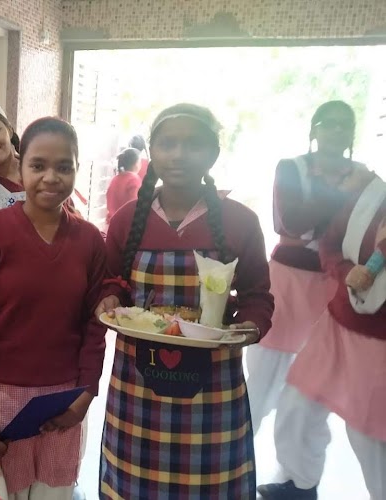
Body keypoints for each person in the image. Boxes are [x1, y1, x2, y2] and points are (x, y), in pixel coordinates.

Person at [96, 103, 274, 498]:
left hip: (213, 385)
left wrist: (251, 323)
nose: (179, 154)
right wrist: (109, 299)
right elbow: (114, 282)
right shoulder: (127, 219)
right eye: (168, 143)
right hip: (138, 384)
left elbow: (257, 295)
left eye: (193, 145)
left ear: (213, 154)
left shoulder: (240, 221)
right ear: (152, 150)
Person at [0, 117, 107, 499]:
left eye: (64, 166)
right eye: (38, 165)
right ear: (21, 166)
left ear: (76, 169)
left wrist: (86, 395)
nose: (51, 177)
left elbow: (94, 326)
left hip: (63, 404)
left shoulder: (89, 240)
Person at [258, 172, 385, 500]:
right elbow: (330, 244)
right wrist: (346, 272)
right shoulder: (369, 194)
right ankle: (300, 485)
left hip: (381, 341)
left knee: (369, 434)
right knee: (298, 404)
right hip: (338, 321)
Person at [246, 101, 369, 433]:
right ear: (314, 129)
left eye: (345, 124)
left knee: (313, 389)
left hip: (334, 286)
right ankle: (235, 455)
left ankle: (297, 464)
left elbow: (368, 231)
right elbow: (289, 222)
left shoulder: (365, 176)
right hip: (288, 284)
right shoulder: (292, 168)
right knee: (261, 379)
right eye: (329, 123)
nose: (337, 130)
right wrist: (342, 192)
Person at [105, 147, 141, 224]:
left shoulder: (115, 179)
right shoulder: (134, 179)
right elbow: (135, 206)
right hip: (126, 225)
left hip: (112, 223)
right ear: (136, 163)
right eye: (140, 161)